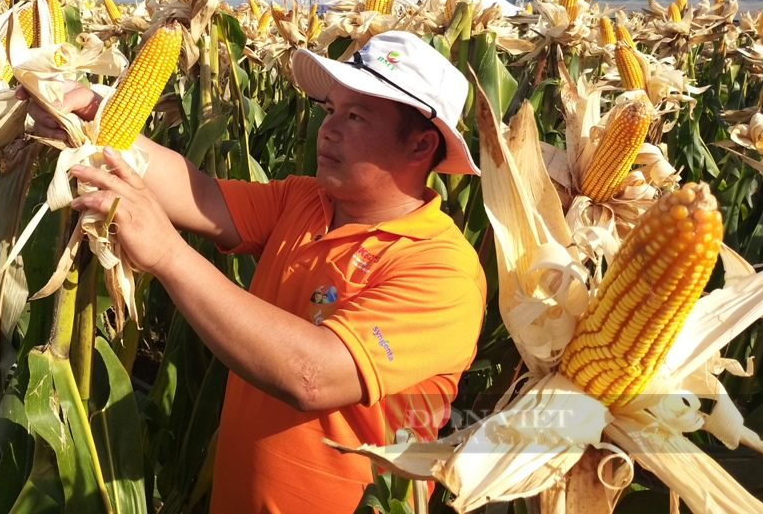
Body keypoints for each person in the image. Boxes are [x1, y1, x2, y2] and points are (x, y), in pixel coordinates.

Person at [27, 30, 487, 513]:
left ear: (420, 146)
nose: (327, 129)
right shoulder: (306, 200)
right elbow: (200, 195)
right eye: (331, 110)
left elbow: (312, 376)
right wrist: (98, 118)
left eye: (355, 116)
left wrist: (168, 255)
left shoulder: (442, 272)